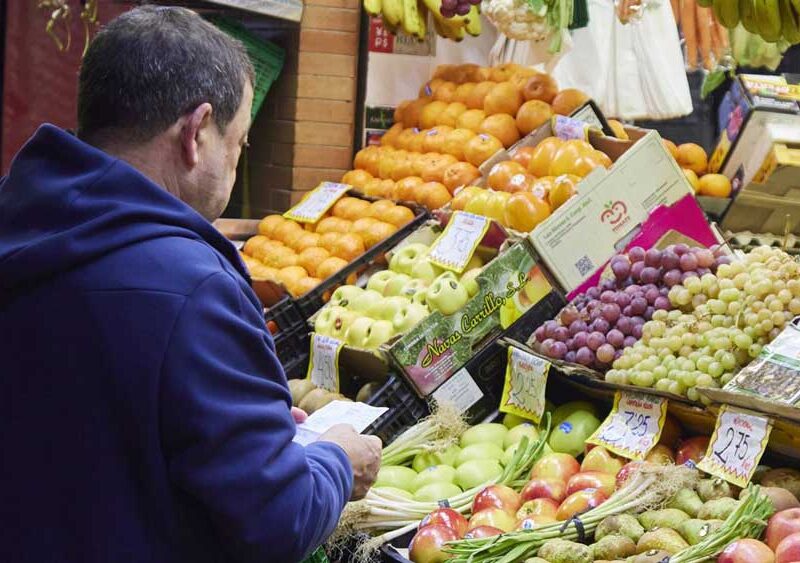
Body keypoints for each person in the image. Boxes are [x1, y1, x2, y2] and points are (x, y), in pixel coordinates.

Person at [0, 6, 381, 563]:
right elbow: (277, 519)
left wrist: (246, 426)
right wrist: (335, 461)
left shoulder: (22, 225)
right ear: (197, 131)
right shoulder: (193, 288)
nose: (236, 161)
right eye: (241, 142)